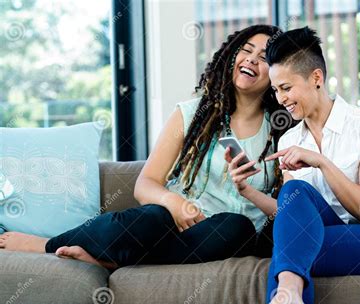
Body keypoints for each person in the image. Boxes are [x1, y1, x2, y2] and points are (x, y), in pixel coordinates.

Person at [0, 25, 289, 269]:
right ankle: (49, 244)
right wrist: (175, 203)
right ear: (231, 56)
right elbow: (145, 185)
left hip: (223, 237)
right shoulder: (192, 115)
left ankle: (112, 261)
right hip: (170, 229)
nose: (251, 59)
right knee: (151, 217)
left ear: (276, 74)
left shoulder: (281, 131)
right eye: (246, 49)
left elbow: (286, 207)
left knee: (235, 226)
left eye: (263, 57)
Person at [227, 27, 360, 304]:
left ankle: (287, 300)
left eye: (286, 88)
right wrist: (247, 191)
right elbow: (290, 213)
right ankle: (288, 299)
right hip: (337, 233)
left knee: (288, 253)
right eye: (275, 90)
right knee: (294, 201)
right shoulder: (290, 140)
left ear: (316, 78)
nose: (280, 99)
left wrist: (322, 162)